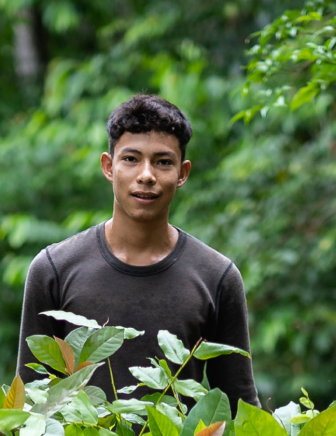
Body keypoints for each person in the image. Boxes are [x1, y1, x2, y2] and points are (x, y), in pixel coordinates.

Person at [13, 94, 260, 412]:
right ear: (108, 166)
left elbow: (242, 407)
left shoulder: (216, 276)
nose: (146, 175)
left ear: (182, 173)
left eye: (163, 162)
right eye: (131, 159)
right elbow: (30, 403)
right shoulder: (55, 269)